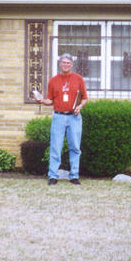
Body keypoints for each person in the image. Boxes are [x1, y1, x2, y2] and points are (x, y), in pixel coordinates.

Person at [36, 53, 88, 185]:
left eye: (68, 63)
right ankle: (53, 176)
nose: (66, 65)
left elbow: (84, 98)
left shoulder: (79, 79)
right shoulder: (53, 80)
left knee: (75, 147)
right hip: (59, 116)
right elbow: (50, 100)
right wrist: (42, 100)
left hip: (74, 117)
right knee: (55, 146)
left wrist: (80, 106)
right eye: (63, 62)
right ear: (60, 64)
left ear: (72, 64)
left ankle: (74, 176)